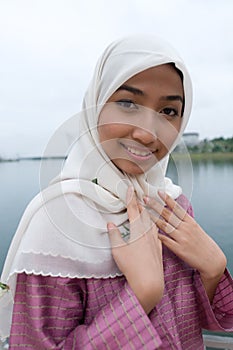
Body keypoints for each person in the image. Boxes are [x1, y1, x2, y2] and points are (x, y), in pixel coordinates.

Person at [0, 34, 233, 349]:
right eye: (128, 103)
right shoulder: (58, 222)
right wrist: (141, 296)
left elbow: (188, 323)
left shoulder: (171, 204)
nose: (148, 132)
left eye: (168, 111)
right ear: (96, 104)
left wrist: (214, 269)